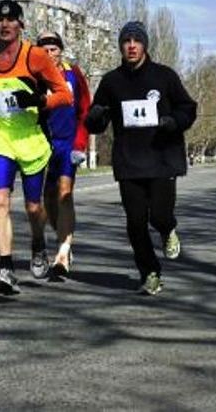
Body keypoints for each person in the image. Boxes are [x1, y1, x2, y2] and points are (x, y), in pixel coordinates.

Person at [0, 0, 73, 296]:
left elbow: (65, 95)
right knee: (0, 201)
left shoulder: (35, 57)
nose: (5, 25)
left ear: (21, 24)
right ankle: (6, 268)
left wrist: (39, 101)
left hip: (32, 141)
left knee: (33, 206)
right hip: (3, 140)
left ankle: (38, 243)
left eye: (11, 20)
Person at [84, 21, 197, 296]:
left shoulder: (164, 76)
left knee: (159, 215)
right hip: (129, 161)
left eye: (136, 41)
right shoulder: (112, 81)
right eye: (126, 41)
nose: (131, 46)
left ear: (145, 45)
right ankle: (149, 272)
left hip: (161, 158)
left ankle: (168, 229)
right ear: (121, 46)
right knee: (135, 223)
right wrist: (96, 116)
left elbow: (188, 108)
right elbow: (95, 121)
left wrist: (173, 121)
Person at [36, 30, 91, 278]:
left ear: (61, 50)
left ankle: (63, 251)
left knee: (64, 194)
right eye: (44, 50)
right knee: (48, 199)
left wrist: (81, 143)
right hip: (43, 143)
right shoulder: (33, 76)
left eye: (53, 50)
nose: (49, 54)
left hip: (68, 142)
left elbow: (85, 109)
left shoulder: (73, 73)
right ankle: (63, 236)